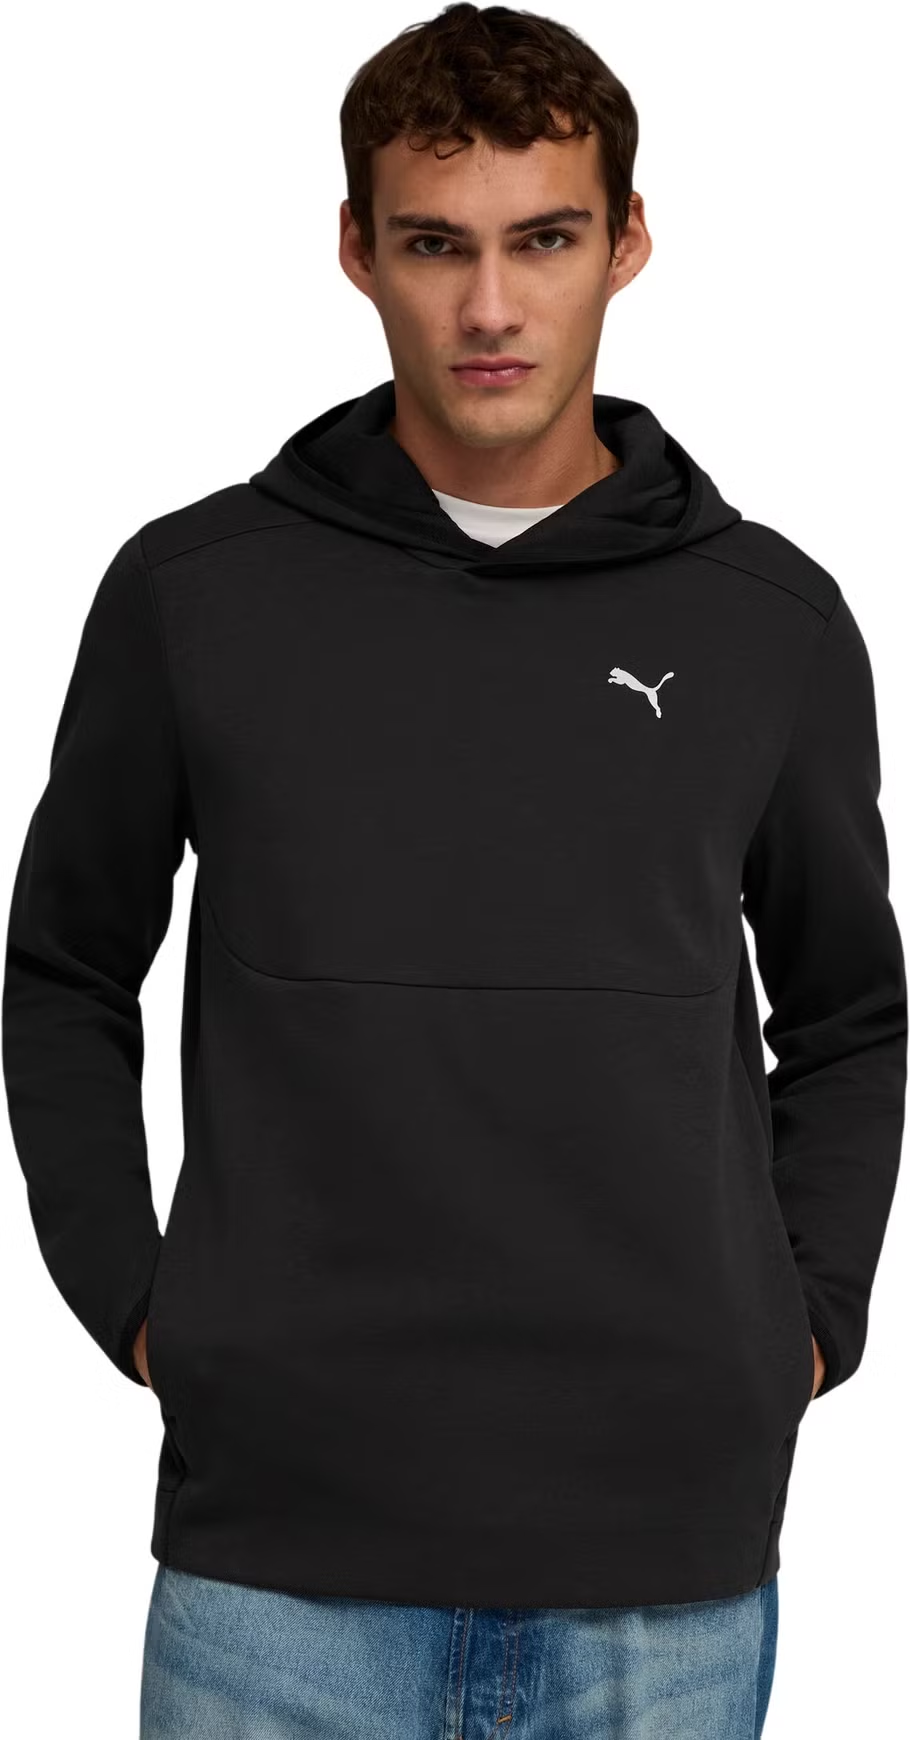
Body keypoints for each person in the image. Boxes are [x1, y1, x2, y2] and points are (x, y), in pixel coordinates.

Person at [3, 5, 906, 1736]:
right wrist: (141, 1302)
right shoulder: (195, 596)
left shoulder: (767, 623)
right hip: (277, 1560)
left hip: (661, 1558)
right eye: (435, 246)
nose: (489, 309)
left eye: (542, 240)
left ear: (626, 242)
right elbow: (63, 974)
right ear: (357, 249)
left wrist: (800, 1330)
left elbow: (850, 1017)